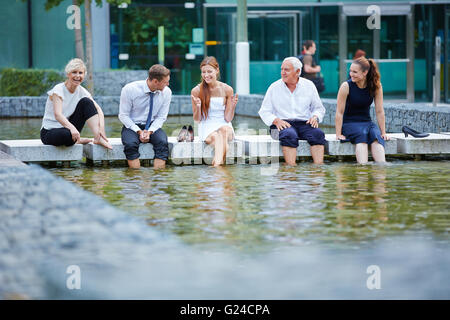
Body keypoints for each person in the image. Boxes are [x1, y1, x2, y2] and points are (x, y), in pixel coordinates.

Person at [258, 57, 326, 165]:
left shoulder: (309, 86)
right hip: (279, 125)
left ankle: (318, 170)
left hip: (304, 123)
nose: (283, 73)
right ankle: (291, 170)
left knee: (318, 134)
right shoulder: (274, 87)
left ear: (298, 71)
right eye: (282, 69)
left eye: (286, 70)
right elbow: (264, 111)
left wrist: (315, 117)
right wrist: (276, 120)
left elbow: (318, 108)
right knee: (289, 135)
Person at [40, 58, 112, 149]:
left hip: (68, 129)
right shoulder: (58, 90)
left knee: (86, 102)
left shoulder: (82, 91)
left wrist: (101, 130)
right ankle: (77, 139)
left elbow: (98, 110)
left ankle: (98, 138)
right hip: (49, 131)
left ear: (84, 75)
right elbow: (58, 115)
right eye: (74, 72)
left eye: (80, 73)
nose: (77, 76)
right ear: (68, 74)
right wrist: (72, 128)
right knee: (66, 135)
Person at [335, 57, 389, 164]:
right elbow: (339, 112)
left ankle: (381, 171)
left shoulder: (376, 86)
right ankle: (362, 171)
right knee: (362, 135)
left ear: (365, 72)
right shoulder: (346, 86)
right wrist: (338, 134)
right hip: (349, 123)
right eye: (350, 71)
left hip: (367, 122)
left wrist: (383, 132)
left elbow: (379, 111)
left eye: (355, 72)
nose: (351, 74)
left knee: (376, 138)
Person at [119, 64, 171, 169]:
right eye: (165, 82)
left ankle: (158, 178)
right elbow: (123, 115)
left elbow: (161, 117)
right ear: (156, 81)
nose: (168, 84)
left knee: (162, 143)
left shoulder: (166, 92)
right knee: (130, 145)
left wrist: (150, 131)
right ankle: (137, 179)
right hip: (132, 125)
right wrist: (139, 131)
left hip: (152, 125)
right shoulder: (129, 89)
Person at [191, 56, 238, 167]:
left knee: (224, 130)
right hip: (207, 126)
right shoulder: (196, 90)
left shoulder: (227, 89)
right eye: (203, 72)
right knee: (221, 142)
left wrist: (233, 106)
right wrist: (198, 107)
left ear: (217, 71)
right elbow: (197, 119)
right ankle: (219, 172)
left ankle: (216, 172)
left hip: (224, 124)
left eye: (209, 71)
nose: (206, 75)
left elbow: (228, 118)